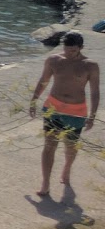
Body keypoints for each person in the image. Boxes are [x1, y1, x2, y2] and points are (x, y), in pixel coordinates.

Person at [29, 31, 99, 198]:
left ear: (80, 48)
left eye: (73, 51)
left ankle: (66, 169)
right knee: (49, 145)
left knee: (70, 146)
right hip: (53, 109)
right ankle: (45, 183)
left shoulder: (90, 65)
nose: (69, 53)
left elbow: (95, 92)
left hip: (76, 112)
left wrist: (92, 115)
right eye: (67, 49)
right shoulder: (54, 60)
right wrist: (34, 100)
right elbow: (43, 80)